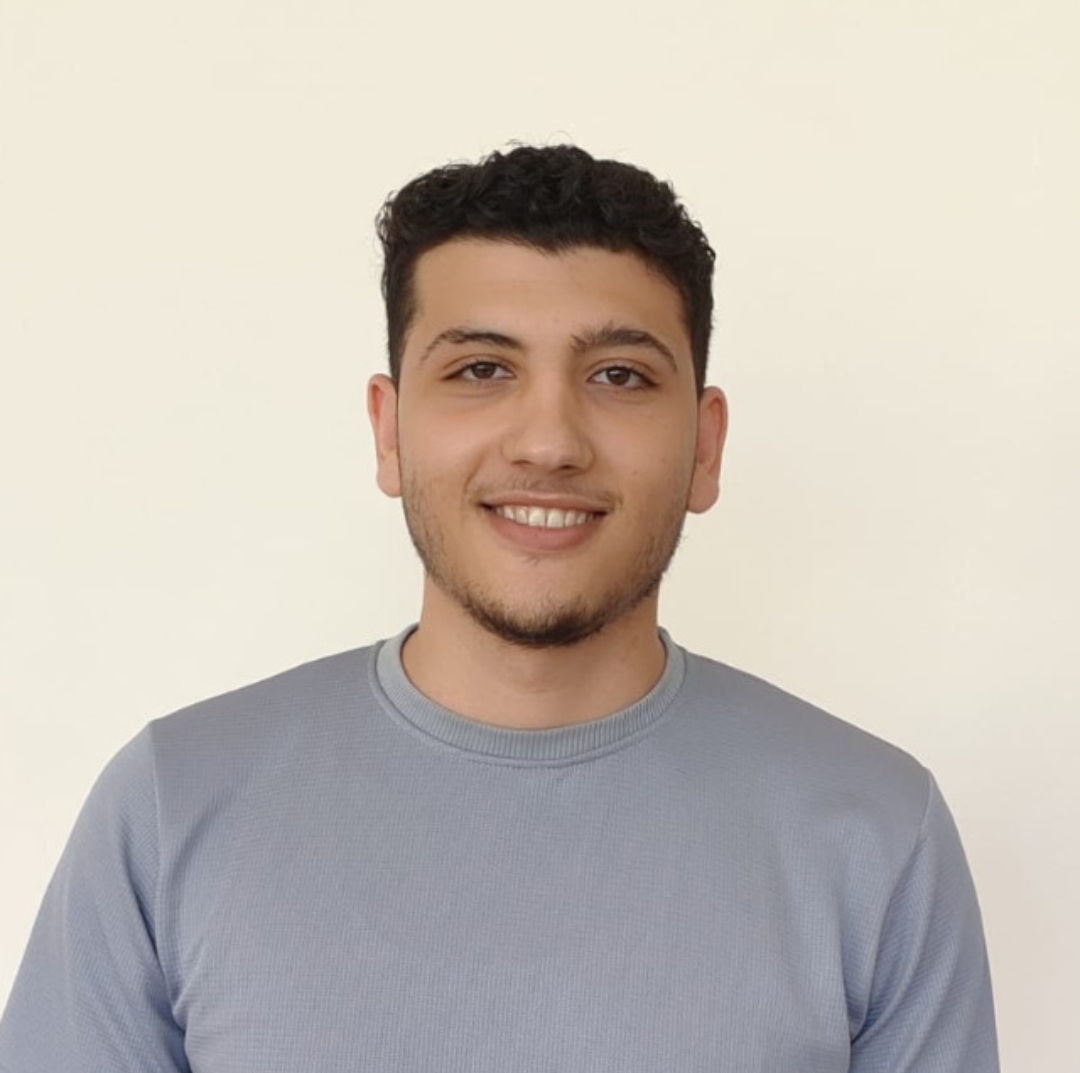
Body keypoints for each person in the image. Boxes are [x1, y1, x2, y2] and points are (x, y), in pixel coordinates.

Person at [0, 145, 998, 1072]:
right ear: (389, 432)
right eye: (481, 369)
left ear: (705, 446)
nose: (549, 440)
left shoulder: (876, 835)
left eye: (619, 375)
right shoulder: (172, 804)